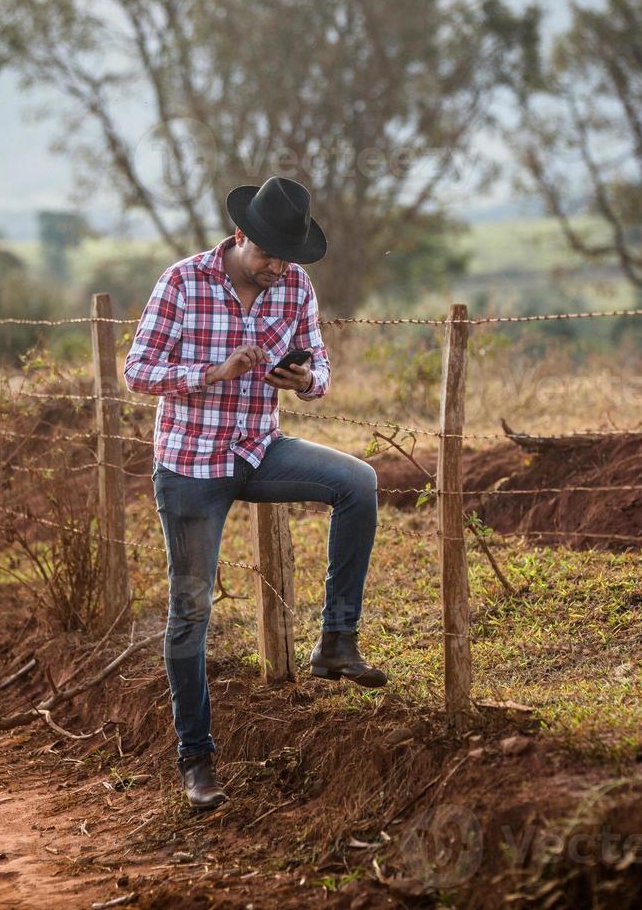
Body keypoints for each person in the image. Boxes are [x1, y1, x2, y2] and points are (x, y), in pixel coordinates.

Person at [123, 175, 386, 811]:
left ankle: (336, 643)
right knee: (191, 609)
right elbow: (137, 371)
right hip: (191, 463)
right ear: (240, 237)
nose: (275, 268)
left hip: (259, 449)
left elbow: (320, 366)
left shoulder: (294, 286)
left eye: (285, 258)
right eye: (267, 255)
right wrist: (212, 372)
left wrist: (303, 379)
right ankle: (197, 758)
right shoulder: (183, 282)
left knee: (358, 483)